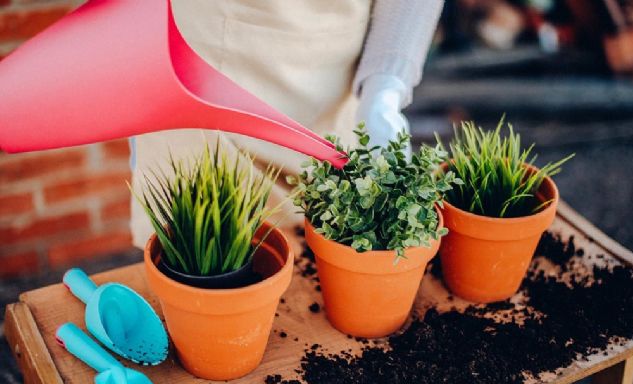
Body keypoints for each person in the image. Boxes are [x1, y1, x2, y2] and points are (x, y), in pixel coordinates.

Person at [130, 0, 444, 248]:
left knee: (318, 262)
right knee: (195, 256)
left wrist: (385, 87)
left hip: (332, 84)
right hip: (205, 67)